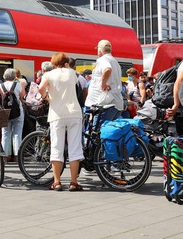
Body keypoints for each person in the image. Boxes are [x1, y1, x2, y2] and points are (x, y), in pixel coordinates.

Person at [38, 52, 84, 191]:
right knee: (75, 147)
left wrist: (47, 97)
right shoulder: (72, 73)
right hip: (74, 113)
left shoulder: (49, 75)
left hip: (56, 113)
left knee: (57, 147)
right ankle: (74, 182)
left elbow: (40, 88)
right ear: (66, 62)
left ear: (53, 63)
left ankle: (57, 182)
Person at [85, 40, 124, 123]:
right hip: (115, 103)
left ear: (100, 50)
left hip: (105, 104)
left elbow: (107, 69)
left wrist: (103, 84)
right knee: (108, 132)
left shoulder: (103, 59)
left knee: (99, 132)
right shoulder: (114, 61)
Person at [0, 68, 24, 162]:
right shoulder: (17, 85)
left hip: (5, 113)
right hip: (17, 112)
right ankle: (17, 155)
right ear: (14, 76)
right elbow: (22, 96)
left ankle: (5, 156)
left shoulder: (1, 86)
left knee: (5, 133)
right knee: (17, 133)